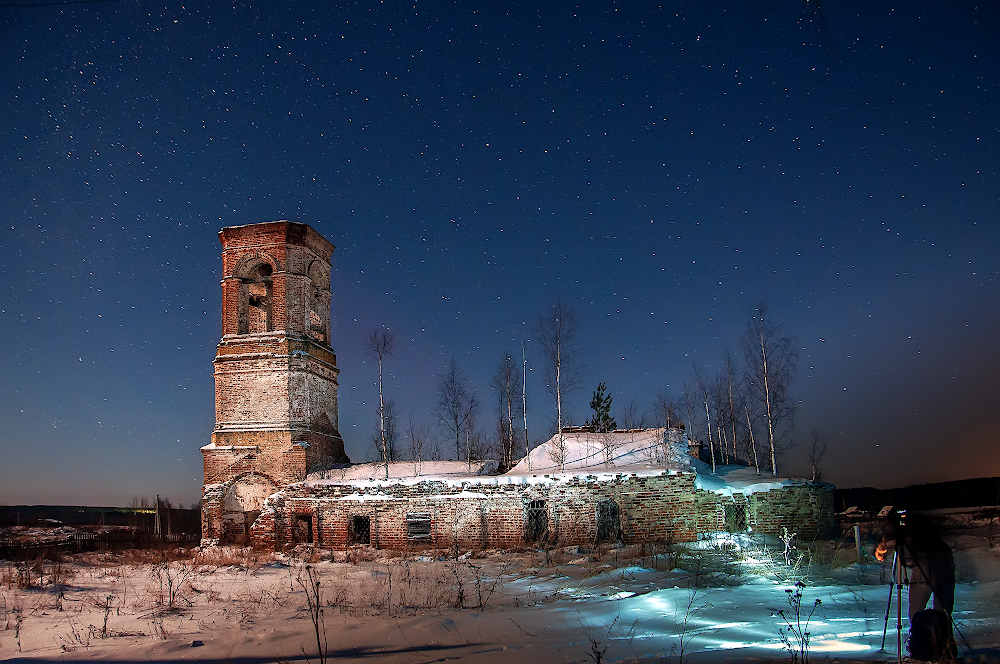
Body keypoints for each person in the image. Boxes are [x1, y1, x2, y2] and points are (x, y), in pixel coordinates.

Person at [876, 510, 956, 657]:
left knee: (941, 612)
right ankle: (922, 645)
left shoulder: (920, 536)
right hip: (926, 570)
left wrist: (889, 545)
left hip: (938, 569)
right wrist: (886, 544)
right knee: (918, 611)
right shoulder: (910, 536)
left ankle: (942, 647)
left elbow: (909, 561)